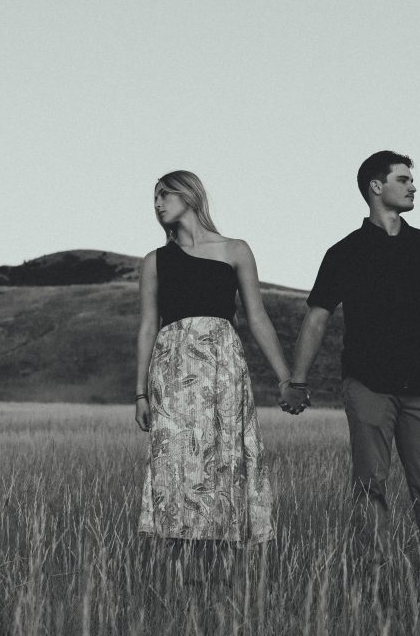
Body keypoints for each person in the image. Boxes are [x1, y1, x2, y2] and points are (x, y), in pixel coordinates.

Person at [284, 151, 420, 568]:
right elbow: (316, 320)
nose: (413, 186)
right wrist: (297, 380)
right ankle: (373, 577)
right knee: (370, 486)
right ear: (376, 187)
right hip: (368, 384)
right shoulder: (345, 251)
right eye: (403, 180)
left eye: (411, 180)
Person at [136, 170, 296, 555]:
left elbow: (257, 317)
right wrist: (140, 392)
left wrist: (286, 379)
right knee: (174, 463)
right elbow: (146, 327)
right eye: (154, 198)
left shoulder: (235, 250)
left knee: (226, 458)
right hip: (172, 373)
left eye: (165, 195)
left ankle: (224, 564)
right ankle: (179, 563)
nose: (157, 204)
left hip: (223, 367)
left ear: (189, 196)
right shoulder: (155, 261)